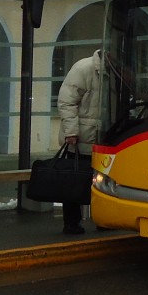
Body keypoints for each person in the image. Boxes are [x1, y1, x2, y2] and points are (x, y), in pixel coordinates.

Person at [56, 50, 103, 235]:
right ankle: (71, 223)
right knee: (74, 182)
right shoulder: (84, 68)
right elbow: (67, 102)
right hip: (81, 138)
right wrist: (71, 132)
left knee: (101, 182)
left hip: (103, 138)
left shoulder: (116, 70)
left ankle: (103, 218)